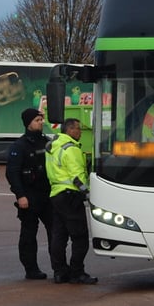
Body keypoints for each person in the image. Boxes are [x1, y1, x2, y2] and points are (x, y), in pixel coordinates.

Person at [45, 118, 97, 285]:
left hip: (56, 194)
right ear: (70, 130)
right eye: (78, 129)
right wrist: (88, 194)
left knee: (59, 236)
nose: (81, 132)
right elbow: (77, 177)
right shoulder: (71, 149)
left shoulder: (52, 147)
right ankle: (77, 272)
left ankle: (59, 272)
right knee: (80, 237)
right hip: (71, 196)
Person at [6, 108, 53, 280]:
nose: (41, 122)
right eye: (36, 120)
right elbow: (12, 172)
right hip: (29, 196)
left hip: (48, 195)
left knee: (55, 232)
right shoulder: (19, 146)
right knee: (28, 234)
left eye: (41, 120)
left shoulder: (48, 143)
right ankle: (31, 269)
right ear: (28, 123)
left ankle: (59, 267)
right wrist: (20, 195)